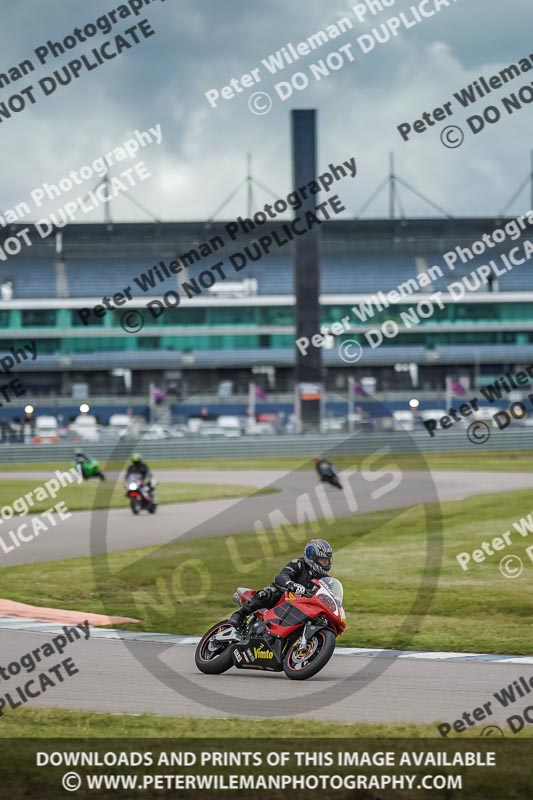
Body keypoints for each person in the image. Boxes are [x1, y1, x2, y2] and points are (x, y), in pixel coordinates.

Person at [229, 538, 333, 630]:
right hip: (285, 596)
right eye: (323, 560)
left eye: (328, 560)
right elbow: (282, 576)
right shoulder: (299, 563)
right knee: (269, 593)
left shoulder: (326, 580)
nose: (327, 563)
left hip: (302, 605)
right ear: (312, 558)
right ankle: (240, 614)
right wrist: (291, 584)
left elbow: (328, 597)